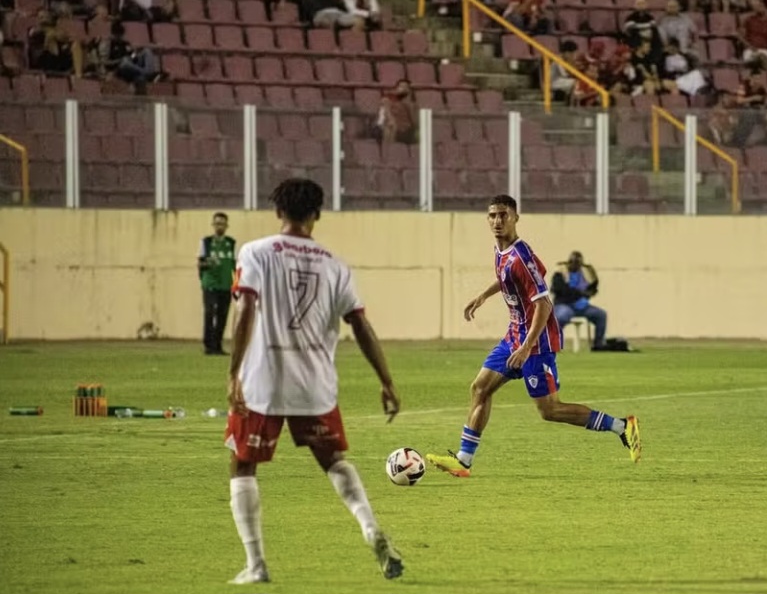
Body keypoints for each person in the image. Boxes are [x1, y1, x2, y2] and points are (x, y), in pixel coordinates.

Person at [225, 178, 403, 584]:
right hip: (315, 386)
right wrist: (387, 381)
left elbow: (246, 308)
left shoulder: (255, 252)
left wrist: (233, 372)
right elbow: (360, 323)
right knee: (334, 461)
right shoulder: (335, 265)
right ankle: (370, 527)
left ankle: (256, 565)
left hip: (263, 382)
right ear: (317, 215)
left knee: (242, 463)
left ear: (277, 212)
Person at [426, 195, 641, 478]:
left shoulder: (521, 257)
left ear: (516, 217)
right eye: (492, 215)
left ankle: (623, 427)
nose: (497, 220)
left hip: (536, 343)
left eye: (504, 215)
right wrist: (483, 296)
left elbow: (543, 304)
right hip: (514, 336)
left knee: (550, 410)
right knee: (480, 388)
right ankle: (464, 460)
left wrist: (527, 347)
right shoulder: (502, 251)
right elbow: (509, 277)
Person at [551, 251, 608, 350]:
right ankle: (553, 344)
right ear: (569, 262)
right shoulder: (560, 273)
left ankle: (598, 344)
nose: (575, 265)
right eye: (573, 262)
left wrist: (588, 293)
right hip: (564, 304)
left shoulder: (585, 273)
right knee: (561, 317)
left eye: (578, 263)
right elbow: (561, 290)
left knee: (601, 315)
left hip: (582, 306)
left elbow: (593, 287)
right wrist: (580, 293)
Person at [198, 212, 236, 356]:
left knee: (222, 315)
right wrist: (208, 264)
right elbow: (200, 263)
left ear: (226, 226)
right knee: (210, 312)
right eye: (217, 223)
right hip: (210, 284)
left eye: (222, 223)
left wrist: (236, 284)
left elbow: (236, 265)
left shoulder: (231, 243)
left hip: (226, 285)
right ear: (213, 225)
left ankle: (218, 345)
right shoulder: (206, 242)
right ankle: (208, 345)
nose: (219, 226)